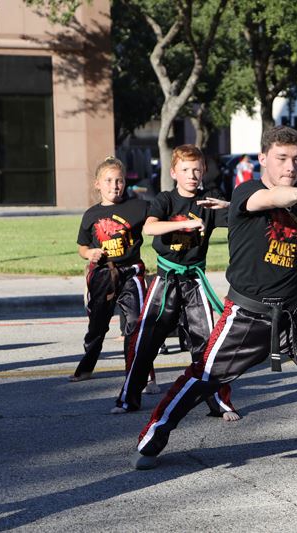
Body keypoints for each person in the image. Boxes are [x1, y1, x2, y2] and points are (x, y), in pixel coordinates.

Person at [129, 126, 297, 487]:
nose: (290, 166)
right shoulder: (249, 191)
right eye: (281, 158)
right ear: (263, 159)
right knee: (202, 377)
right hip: (246, 313)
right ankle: (154, 435)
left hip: (295, 310)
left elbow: (278, 249)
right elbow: (267, 201)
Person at [111, 145, 239, 421]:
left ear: (203, 171)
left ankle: (218, 402)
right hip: (166, 278)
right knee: (146, 338)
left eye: (196, 169)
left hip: (195, 279)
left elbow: (241, 219)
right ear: (173, 172)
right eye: (184, 170)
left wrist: (228, 205)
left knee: (206, 343)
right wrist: (184, 226)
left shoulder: (209, 201)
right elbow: (150, 227)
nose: (191, 175)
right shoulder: (165, 199)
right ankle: (128, 398)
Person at [70, 156, 157, 392]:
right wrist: (89, 254)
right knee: (97, 326)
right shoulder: (90, 215)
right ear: (97, 184)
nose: (114, 186)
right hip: (102, 275)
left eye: (119, 181)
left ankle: (143, 375)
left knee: (136, 323)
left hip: (131, 273)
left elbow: (158, 217)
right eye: (108, 180)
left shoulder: (138, 206)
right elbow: (82, 247)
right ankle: (87, 366)